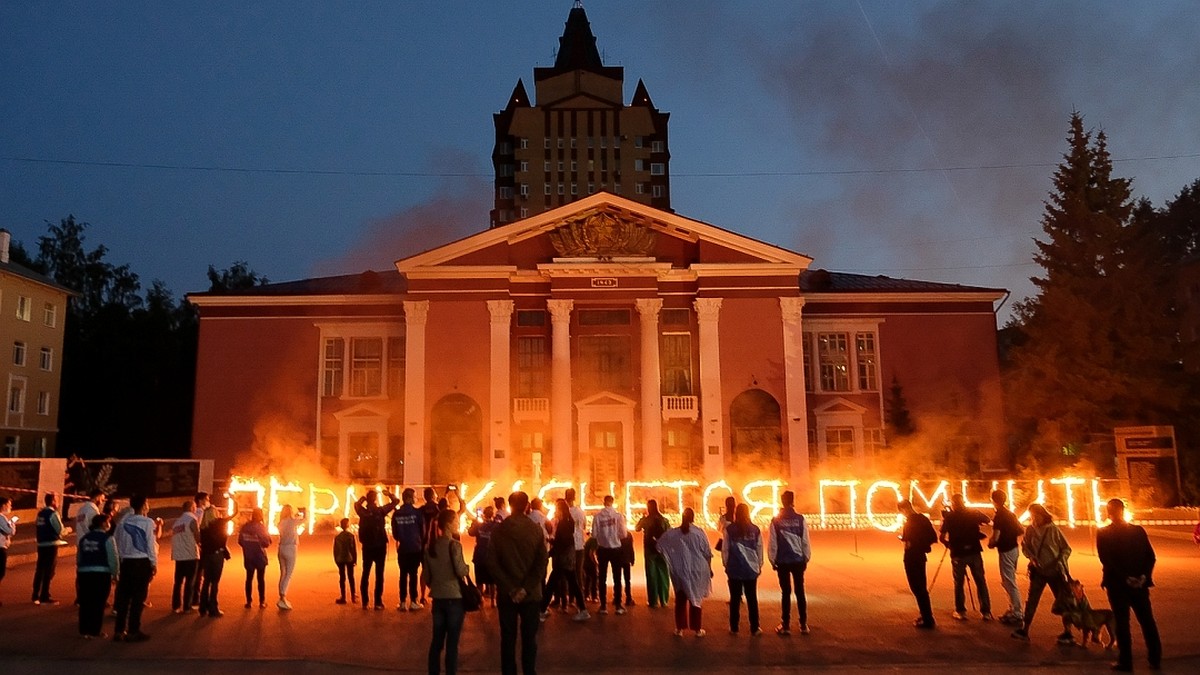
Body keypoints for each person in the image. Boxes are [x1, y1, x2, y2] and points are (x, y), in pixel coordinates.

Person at [486, 491, 548, 675]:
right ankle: (529, 671)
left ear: (510, 506)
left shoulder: (499, 530)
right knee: (529, 639)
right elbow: (541, 562)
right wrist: (525, 588)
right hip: (531, 595)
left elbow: (491, 562)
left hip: (507, 595)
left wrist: (510, 588)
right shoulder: (536, 529)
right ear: (527, 505)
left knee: (508, 638)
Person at [1096, 498, 1161, 671]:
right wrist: (1142, 576)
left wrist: (1126, 578)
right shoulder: (1138, 531)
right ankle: (1155, 657)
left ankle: (1126, 661)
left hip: (1117, 585)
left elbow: (1106, 560)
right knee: (1147, 620)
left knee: (1122, 623)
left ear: (1108, 513)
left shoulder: (1103, 533)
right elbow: (1151, 557)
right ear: (1123, 510)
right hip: (1140, 585)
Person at [1011, 504, 1074, 645]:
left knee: (1062, 600)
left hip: (1055, 571)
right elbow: (1025, 546)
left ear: (1043, 515)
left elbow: (1066, 549)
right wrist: (1031, 558)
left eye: (1036, 516)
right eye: (1032, 516)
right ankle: (1025, 629)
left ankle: (1068, 632)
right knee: (1032, 599)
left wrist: (1059, 561)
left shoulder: (1053, 530)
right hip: (1038, 570)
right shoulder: (1030, 530)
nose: (1034, 519)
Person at [424, 508, 471, 675]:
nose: (458, 523)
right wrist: (467, 568)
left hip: (438, 598)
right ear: (449, 524)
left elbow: (427, 577)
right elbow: (460, 570)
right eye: (456, 520)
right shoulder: (455, 545)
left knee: (436, 642)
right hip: (454, 598)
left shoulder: (430, 547)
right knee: (452, 643)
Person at [657, 507, 713, 637]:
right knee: (696, 598)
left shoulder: (673, 533)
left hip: (679, 569)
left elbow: (659, 545)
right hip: (697, 569)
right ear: (693, 518)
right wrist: (709, 569)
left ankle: (680, 628)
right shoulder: (699, 533)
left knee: (681, 598)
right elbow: (707, 553)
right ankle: (697, 629)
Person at [939, 493, 993, 621]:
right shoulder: (972, 513)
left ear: (953, 503)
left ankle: (961, 611)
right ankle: (986, 612)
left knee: (959, 582)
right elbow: (987, 519)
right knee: (980, 581)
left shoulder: (949, 517)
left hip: (958, 553)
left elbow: (941, 537)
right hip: (974, 550)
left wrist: (949, 545)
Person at [113, 494, 158, 641]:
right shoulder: (147, 523)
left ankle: (119, 630)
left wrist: (119, 560)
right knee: (138, 598)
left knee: (124, 598)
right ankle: (133, 630)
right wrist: (153, 563)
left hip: (126, 562)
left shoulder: (123, 522)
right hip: (141, 562)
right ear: (144, 505)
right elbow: (150, 545)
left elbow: (117, 542)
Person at [769, 489, 811, 635]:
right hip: (798, 560)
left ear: (782, 501)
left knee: (785, 592)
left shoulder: (776, 520)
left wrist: (772, 559)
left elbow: (773, 543)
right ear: (793, 501)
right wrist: (806, 557)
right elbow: (805, 540)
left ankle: (785, 625)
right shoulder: (800, 519)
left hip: (783, 561)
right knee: (800, 591)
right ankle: (803, 624)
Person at [541, 497, 589, 622]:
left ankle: (541, 611)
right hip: (568, 556)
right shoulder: (569, 521)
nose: (555, 511)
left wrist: (551, 545)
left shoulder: (564, 523)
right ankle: (583, 609)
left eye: (556, 509)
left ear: (560, 510)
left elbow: (563, 541)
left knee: (551, 584)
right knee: (572, 583)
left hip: (563, 558)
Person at [722, 503, 763, 636]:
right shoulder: (755, 530)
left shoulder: (729, 530)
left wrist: (726, 565)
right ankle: (755, 627)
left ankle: (734, 627)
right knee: (752, 599)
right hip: (750, 569)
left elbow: (725, 550)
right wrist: (759, 565)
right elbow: (759, 549)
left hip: (734, 569)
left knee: (734, 599)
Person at [355, 489, 399, 610]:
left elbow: (356, 505)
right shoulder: (380, 511)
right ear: (375, 500)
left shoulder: (362, 512)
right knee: (379, 574)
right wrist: (389, 494)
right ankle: (378, 602)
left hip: (367, 546)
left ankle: (365, 602)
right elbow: (395, 502)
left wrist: (362, 499)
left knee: (365, 573)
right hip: (380, 545)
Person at [898, 500, 938, 629]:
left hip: (911, 556)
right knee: (922, 586)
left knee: (917, 587)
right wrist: (923, 544)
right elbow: (933, 537)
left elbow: (908, 541)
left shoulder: (909, 523)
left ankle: (927, 618)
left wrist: (908, 541)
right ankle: (925, 614)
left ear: (904, 509)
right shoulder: (923, 519)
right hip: (921, 556)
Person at [77, 513, 117, 639]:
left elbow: (79, 558)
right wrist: (115, 574)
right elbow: (113, 559)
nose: (110, 524)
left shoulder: (84, 539)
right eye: (108, 521)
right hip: (101, 573)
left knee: (85, 602)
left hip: (84, 573)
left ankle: (84, 630)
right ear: (104, 524)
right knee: (98, 603)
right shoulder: (108, 539)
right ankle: (95, 630)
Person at [989, 489, 1025, 626]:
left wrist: (991, 543)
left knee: (1009, 581)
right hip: (1014, 548)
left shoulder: (999, 516)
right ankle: (1012, 608)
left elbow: (996, 536)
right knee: (1009, 580)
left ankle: (1017, 611)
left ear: (993, 500)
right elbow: (1021, 529)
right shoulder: (1010, 514)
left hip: (1005, 550)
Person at [592, 494, 627, 615]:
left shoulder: (597, 517)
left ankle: (603, 606)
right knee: (617, 577)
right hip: (616, 549)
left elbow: (594, 534)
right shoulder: (618, 516)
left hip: (603, 549)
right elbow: (624, 534)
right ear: (612, 502)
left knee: (602, 577)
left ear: (603, 502)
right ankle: (618, 605)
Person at [392, 488, 425, 611]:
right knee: (413, 575)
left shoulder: (397, 514)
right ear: (411, 498)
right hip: (415, 548)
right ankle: (413, 601)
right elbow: (423, 530)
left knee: (402, 575)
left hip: (403, 548)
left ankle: (402, 602)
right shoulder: (417, 513)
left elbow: (395, 534)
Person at [197, 504, 233, 618]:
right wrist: (234, 500)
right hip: (217, 555)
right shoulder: (219, 523)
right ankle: (213, 608)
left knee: (206, 581)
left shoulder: (203, 527)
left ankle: (202, 607)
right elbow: (234, 514)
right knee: (215, 582)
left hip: (206, 556)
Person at [635, 499, 671, 609]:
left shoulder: (646, 520)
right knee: (663, 574)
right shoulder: (664, 520)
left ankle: (653, 601)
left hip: (650, 550)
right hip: (662, 550)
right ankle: (664, 600)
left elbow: (636, 529)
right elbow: (669, 533)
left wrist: (642, 518)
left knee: (652, 575)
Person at [33, 492, 65, 605]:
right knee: (48, 571)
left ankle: (35, 594)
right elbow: (60, 530)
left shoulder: (40, 513)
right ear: (53, 501)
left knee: (40, 569)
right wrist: (68, 530)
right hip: (51, 544)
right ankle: (44, 596)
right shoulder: (53, 514)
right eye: (57, 500)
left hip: (41, 544)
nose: (59, 502)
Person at [169, 499, 200, 613]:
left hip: (179, 555)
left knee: (178, 582)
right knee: (190, 582)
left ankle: (175, 606)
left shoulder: (177, 522)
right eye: (195, 506)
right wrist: (201, 544)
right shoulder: (192, 519)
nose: (196, 509)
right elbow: (197, 535)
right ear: (192, 508)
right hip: (190, 554)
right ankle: (187, 606)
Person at [238, 508, 271, 608]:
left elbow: (240, 541)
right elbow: (267, 542)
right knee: (260, 579)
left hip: (248, 556)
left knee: (249, 578)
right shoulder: (261, 527)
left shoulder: (245, 527)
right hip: (260, 556)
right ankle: (262, 601)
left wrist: (248, 547)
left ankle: (248, 601)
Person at [469, 506, 500, 606]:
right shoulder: (496, 525)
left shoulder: (478, 525)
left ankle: (480, 599)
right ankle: (493, 601)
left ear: (484, 514)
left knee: (479, 579)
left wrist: (474, 523)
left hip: (479, 555)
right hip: (491, 555)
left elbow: (470, 532)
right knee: (492, 580)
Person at [276, 504, 303, 610]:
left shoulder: (280, 523)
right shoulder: (293, 521)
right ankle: (282, 597)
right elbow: (305, 519)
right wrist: (302, 512)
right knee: (288, 574)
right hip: (291, 548)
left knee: (282, 573)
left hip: (281, 548)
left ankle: (281, 596)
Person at [564, 488, 587, 602]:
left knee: (567, 572)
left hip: (568, 546)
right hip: (579, 545)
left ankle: (569, 599)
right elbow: (584, 526)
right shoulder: (580, 511)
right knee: (578, 573)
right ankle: (580, 599)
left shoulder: (564, 512)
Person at [333, 517, 358, 605]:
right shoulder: (351, 536)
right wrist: (355, 559)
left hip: (340, 558)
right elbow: (353, 549)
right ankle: (353, 596)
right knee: (351, 577)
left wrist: (336, 559)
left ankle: (343, 596)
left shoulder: (338, 537)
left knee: (342, 578)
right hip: (349, 558)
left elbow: (335, 550)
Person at [0, 497, 15, 604]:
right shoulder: (1, 518)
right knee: (0, 573)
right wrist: (12, 522)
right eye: (9, 504)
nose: (10, 507)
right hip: (0, 548)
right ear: (4, 505)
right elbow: (9, 531)